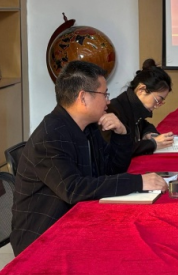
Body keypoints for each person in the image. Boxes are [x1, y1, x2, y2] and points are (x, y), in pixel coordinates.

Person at [11, 61, 168, 255]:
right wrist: (138, 182)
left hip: (77, 221)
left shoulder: (89, 127)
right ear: (83, 97)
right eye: (104, 94)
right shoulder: (51, 136)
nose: (108, 102)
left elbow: (112, 170)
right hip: (43, 239)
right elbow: (74, 189)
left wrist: (121, 134)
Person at [108, 59, 174, 156]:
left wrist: (149, 134)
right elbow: (120, 149)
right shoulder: (114, 110)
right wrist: (153, 144)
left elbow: (144, 124)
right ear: (141, 89)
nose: (158, 105)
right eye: (158, 100)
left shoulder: (132, 105)